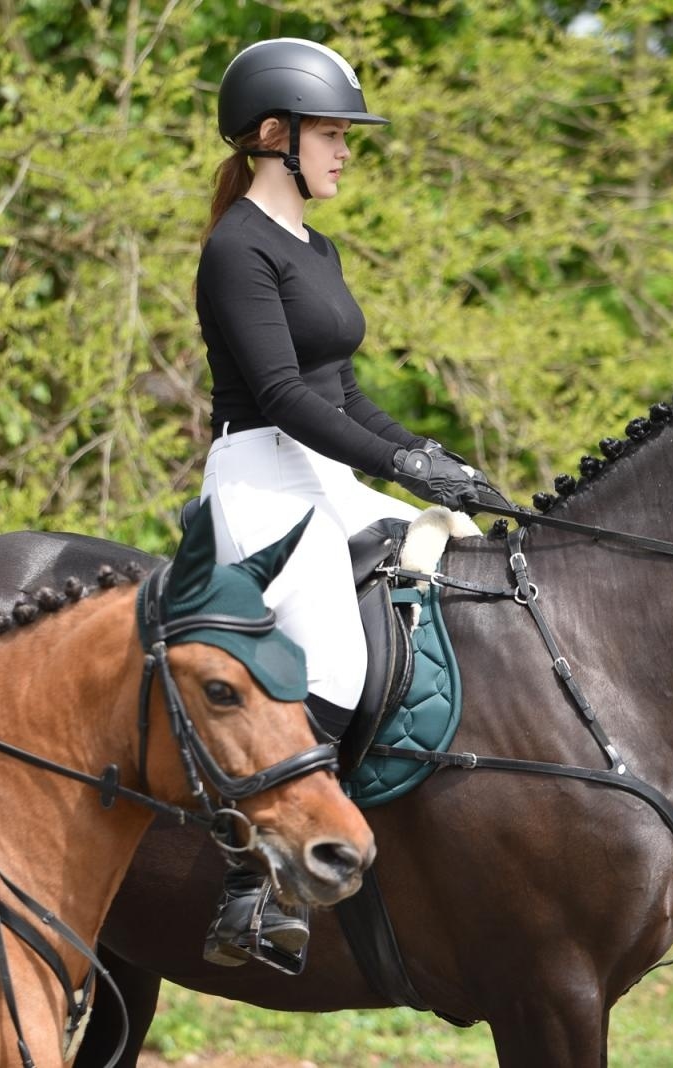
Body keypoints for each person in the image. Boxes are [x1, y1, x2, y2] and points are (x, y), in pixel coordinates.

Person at [195, 39, 492, 971]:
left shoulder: (315, 247)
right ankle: (254, 880)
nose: (346, 151)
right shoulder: (236, 247)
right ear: (273, 136)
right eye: (331, 134)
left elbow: (343, 394)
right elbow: (282, 395)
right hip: (260, 472)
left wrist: (435, 464)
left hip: (324, 469)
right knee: (333, 654)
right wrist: (399, 461)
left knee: (463, 567)